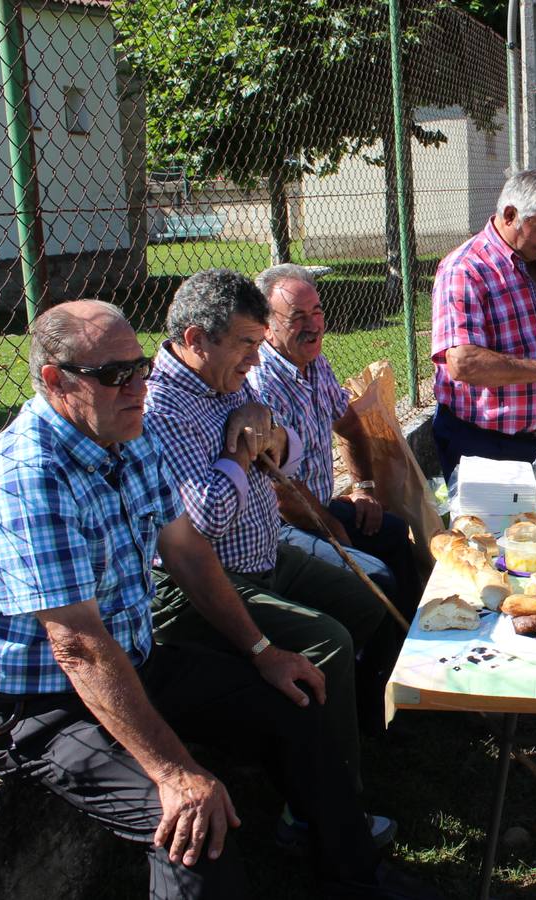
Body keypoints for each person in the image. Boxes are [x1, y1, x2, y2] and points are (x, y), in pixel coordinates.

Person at [0, 300, 427, 898]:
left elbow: (188, 551)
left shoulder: (127, 435)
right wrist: (175, 773)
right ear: (55, 380)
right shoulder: (25, 477)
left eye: (140, 366)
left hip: (129, 659)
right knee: (191, 821)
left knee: (296, 704)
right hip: (31, 700)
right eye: (115, 376)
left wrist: (263, 650)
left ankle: (354, 877)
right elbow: (78, 648)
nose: (139, 386)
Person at [143, 269, 402, 815]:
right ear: (194, 339)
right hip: (213, 577)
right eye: (245, 345)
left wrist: (268, 430)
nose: (255, 362)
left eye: (259, 346)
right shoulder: (162, 408)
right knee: (328, 640)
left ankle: (320, 737)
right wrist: (240, 453)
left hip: (267, 552)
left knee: (368, 596)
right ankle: (328, 806)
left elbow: (282, 452)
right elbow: (206, 518)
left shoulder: (224, 382)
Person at [247, 263, 421, 624]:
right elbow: (281, 489)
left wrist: (364, 489)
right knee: (372, 576)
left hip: (320, 508)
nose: (313, 325)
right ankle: (373, 671)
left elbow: (350, 427)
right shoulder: (259, 383)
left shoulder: (316, 363)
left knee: (392, 531)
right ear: (267, 326)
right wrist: (336, 532)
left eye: (317, 311)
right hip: (281, 526)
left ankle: (414, 644)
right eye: (298, 317)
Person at [430, 169, 536, 483]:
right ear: (510, 215)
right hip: (481, 443)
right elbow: (463, 363)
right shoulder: (465, 269)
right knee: (493, 531)